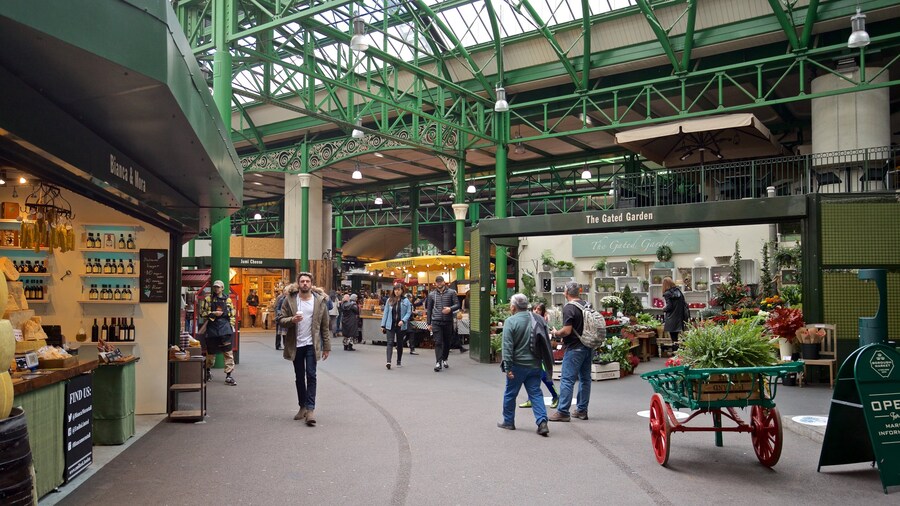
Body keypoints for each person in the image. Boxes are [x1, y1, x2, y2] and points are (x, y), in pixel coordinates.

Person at [277, 272, 331, 426]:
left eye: (307, 281)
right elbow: (280, 319)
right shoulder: (289, 300)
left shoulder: (319, 301)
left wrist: (326, 346)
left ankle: (310, 409)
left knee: (311, 375)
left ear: (311, 284)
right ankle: (302, 406)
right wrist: (292, 320)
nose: (305, 283)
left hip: (311, 345)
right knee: (299, 376)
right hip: (296, 345)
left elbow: (325, 326)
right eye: (302, 281)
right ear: (298, 283)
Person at [497, 293, 550, 436]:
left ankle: (508, 421)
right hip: (535, 364)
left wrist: (507, 367)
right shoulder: (538, 319)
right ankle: (542, 422)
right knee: (535, 393)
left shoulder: (511, 321)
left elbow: (507, 346)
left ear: (513, 307)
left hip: (517, 365)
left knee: (510, 393)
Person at [548, 281, 591, 422]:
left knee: (567, 379)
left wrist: (556, 333)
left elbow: (566, 331)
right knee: (585, 379)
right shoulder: (587, 305)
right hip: (588, 345)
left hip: (574, 347)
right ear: (579, 292)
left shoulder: (569, 308)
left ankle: (563, 411)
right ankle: (582, 410)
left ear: (566, 293)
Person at [519, 302, 559, 409]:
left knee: (544, 377)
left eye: (539, 309)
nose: (536, 311)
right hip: (531, 354)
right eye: (535, 309)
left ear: (542, 311)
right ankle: (531, 399)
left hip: (540, 355)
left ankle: (556, 396)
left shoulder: (542, 322)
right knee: (530, 378)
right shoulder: (529, 320)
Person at [199, 280, 237, 386]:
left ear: (222, 288)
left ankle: (229, 375)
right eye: (215, 287)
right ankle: (207, 371)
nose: (216, 289)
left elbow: (232, 314)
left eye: (218, 287)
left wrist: (231, 326)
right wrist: (212, 313)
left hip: (225, 329)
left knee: (228, 352)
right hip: (212, 328)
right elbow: (202, 313)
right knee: (210, 353)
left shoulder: (228, 300)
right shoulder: (208, 299)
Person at [426, 276, 459, 372]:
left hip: (448, 321)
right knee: (438, 342)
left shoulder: (451, 292)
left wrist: (450, 309)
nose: (439, 283)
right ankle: (438, 362)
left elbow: (457, 305)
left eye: (440, 281)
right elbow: (429, 310)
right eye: (437, 282)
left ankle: (445, 358)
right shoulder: (431, 294)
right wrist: (429, 323)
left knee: (447, 342)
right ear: (435, 283)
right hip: (436, 321)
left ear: (444, 282)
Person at [380, 283, 412, 369]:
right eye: (395, 290)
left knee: (399, 343)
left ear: (402, 291)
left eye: (398, 290)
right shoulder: (389, 300)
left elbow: (409, 312)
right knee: (390, 342)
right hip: (390, 324)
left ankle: (399, 361)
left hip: (401, 325)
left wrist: (403, 320)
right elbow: (386, 313)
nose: (397, 291)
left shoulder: (406, 301)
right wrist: (383, 325)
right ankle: (388, 362)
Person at [662, 277, 690, 347]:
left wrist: (664, 309)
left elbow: (669, 306)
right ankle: (679, 351)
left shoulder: (667, 294)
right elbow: (684, 304)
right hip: (680, 318)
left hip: (671, 318)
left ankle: (675, 352)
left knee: (673, 339)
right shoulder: (679, 292)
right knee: (679, 338)